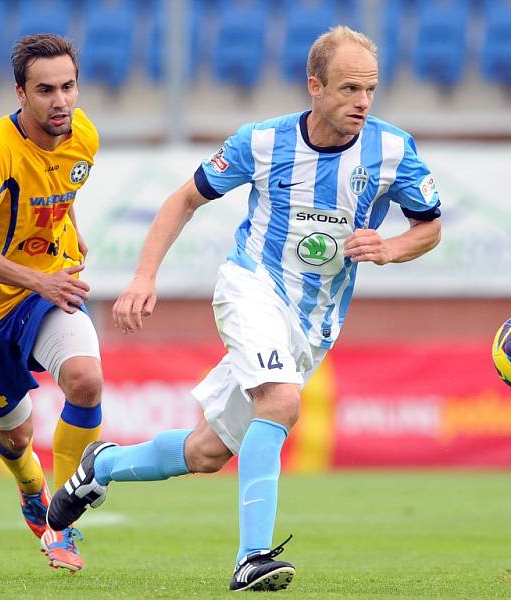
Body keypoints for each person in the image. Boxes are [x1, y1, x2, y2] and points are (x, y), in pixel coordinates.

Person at [47, 26, 442, 591]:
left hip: (314, 324)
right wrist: (143, 276)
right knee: (280, 401)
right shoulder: (262, 142)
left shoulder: (393, 150)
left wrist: (390, 246)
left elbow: (429, 226)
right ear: (314, 86)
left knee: (205, 452)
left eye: (371, 89)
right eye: (350, 88)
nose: (362, 101)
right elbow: (184, 199)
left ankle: (99, 466)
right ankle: (252, 557)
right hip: (251, 287)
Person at [0, 33, 103, 571]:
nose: (61, 101)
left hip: (44, 289)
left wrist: (71, 233)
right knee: (16, 435)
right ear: (21, 93)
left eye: (69, 87)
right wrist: (38, 280)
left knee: (85, 380)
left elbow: (64, 191)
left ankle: (61, 521)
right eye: (46, 90)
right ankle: (30, 485)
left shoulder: (83, 138)